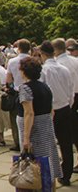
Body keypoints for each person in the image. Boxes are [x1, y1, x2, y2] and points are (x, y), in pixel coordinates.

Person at [17, 56, 63, 185]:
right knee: (48, 163)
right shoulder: (45, 86)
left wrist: (26, 138)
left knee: (35, 166)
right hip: (46, 129)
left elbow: (29, 113)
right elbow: (51, 110)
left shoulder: (25, 88)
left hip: (34, 131)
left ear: (24, 71)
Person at [37, 41, 73, 185]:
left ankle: (51, 173)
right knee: (66, 143)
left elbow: (43, 93)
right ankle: (66, 173)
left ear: (43, 54)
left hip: (51, 110)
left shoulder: (44, 70)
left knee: (49, 145)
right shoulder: (64, 69)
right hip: (65, 107)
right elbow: (70, 91)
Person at [6, 38, 31, 151]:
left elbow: (8, 79)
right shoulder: (33, 60)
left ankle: (18, 142)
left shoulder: (12, 61)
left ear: (19, 49)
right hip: (32, 90)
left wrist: (9, 88)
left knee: (17, 119)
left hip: (18, 91)